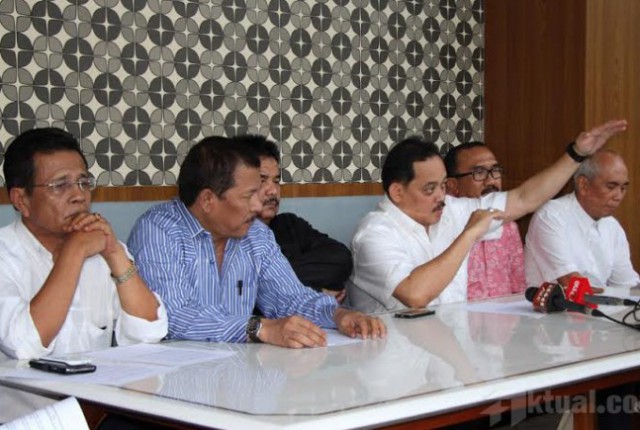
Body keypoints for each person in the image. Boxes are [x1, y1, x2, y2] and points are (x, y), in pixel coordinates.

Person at [127, 135, 385, 348]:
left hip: (239, 371)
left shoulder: (256, 234)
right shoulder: (159, 230)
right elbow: (175, 317)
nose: (258, 205)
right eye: (248, 195)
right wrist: (260, 328)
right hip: (174, 381)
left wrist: (338, 315)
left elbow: (290, 298)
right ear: (207, 200)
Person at [346, 120, 627, 313]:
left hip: (450, 344)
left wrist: (576, 154)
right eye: (430, 189)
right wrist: (469, 234)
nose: (441, 196)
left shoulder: (450, 209)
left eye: (443, 185)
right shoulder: (373, 234)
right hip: (395, 356)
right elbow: (415, 295)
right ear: (397, 191)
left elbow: (524, 198)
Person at [0, 128, 168, 425]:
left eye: (83, 182)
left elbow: (149, 333)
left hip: (98, 414)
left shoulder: (100, 247)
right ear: (21, 200)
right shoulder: (5, 255)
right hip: (26, 421)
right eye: (60, 185)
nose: (78, 195)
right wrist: (73, 253)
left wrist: (114, 253)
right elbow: (25, 344)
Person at [244, 135, 352, 301]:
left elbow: (340, 259)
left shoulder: (289, 224)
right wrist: (314, 292)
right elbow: (245, 292)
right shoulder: (231, 236)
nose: (273, 191)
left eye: (276, 181)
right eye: (262, 180)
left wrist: (271, 281)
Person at [525, 149, 639, 288]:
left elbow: (627, 284)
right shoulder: (551, 216)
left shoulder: (612, 226)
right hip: (554, 302)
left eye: (623, 188)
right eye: (611, 187)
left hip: (598, 301)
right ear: (583, 185)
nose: (619, 196)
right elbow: (571, 283)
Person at [444, 142, 526, 300]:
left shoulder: (508, 225)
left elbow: (518, 286)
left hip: (505, 314)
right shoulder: (443, 224)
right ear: (452, 185)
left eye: (495, 170)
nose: (491, 181)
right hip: (458, 314)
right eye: (479, 172)